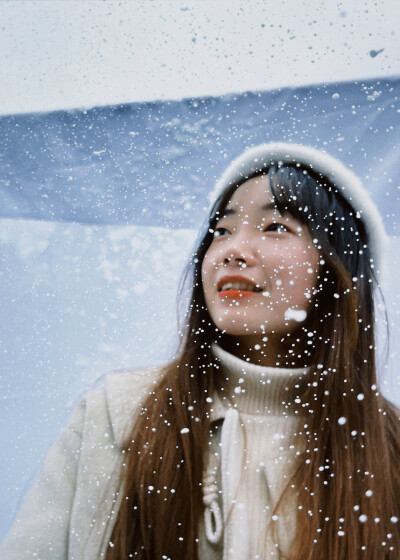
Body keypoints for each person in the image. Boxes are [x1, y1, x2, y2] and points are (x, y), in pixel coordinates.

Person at [1, 142, 400, 560]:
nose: (231, 250)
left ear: (338, 268)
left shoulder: (386, 451)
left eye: (274, 227)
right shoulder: (118, 414)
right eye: (222, 231)